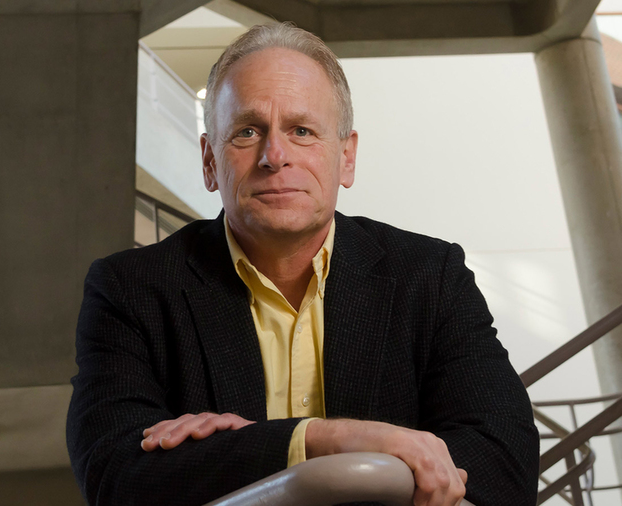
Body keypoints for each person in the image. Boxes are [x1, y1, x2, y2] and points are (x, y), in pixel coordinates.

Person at [66, 22, 539, 506]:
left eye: (302, 130)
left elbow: (504, 463)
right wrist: (325, 440)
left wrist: (246, 446)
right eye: (247, 131)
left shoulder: (431, 276)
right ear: (210, 161)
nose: (275, 156)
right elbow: (116, 477)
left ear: (347, 157)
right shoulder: (129, 288)